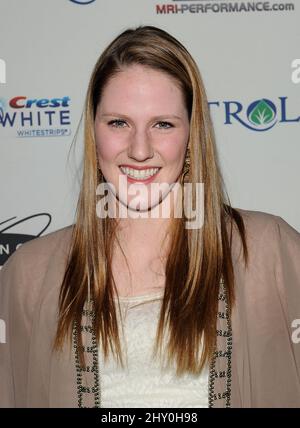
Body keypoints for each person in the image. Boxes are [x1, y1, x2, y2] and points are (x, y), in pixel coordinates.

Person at [0, 25, 300, 408]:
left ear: (192, 134)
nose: (139, 150)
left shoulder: (267, 253)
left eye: (163, 124)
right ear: (93, 131)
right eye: (118, 123)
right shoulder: (30, 274)